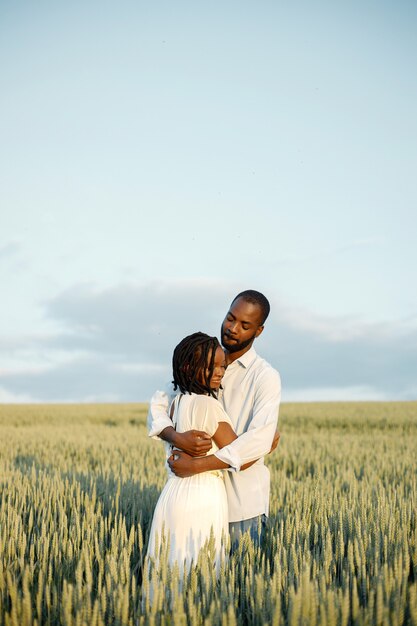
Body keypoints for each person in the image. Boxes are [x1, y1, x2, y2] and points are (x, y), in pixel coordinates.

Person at [148, 290, 281, 548]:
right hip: (196, 502)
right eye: (230, 318)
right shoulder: (201, 361)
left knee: (236, 585)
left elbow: (259, 439)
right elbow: (158, 405)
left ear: (259, 331)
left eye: (245, 325)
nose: (232, 328)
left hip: (242, 507)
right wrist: (177, 437)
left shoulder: (265, 377)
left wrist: (197, 465)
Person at [146, 332, 256, 575]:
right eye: (211, 367)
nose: (219, 372)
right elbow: (242, 454)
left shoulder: (176, 403)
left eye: (222, 366)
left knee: (169, 571)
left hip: (172, 494)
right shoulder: (208, 405)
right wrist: (269, 441)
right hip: (202, 497)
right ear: (188, 367)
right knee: (201, 575)